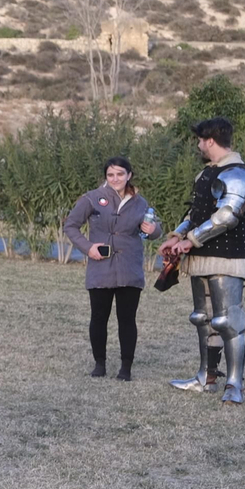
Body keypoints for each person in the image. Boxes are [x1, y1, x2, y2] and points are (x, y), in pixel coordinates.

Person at [159, 116, 245, 404]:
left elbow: (226, 217)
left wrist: (191, 239)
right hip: (200, 254)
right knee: (203, 319)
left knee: (228, 321)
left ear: (211, 140)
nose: (199, 145)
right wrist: (177, 236)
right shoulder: (206, 174)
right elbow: (196, 213)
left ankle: (234, 384)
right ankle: (206, 376)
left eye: (201, 140)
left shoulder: (240, 174)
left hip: (226, 256)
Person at [62, 156, 160, 381]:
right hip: (100, 266)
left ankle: (126, 367)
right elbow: (71, 225)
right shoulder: (92, 198)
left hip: (129, 267)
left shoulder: (140, 202)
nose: (115, 179)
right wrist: (88, 248)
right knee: (98, 317)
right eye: (110, 175)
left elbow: (154, 231)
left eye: (120, 174)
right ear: (105, 177)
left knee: (127, 319)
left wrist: (153, 229)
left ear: (129, 175)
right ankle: (100, 363)